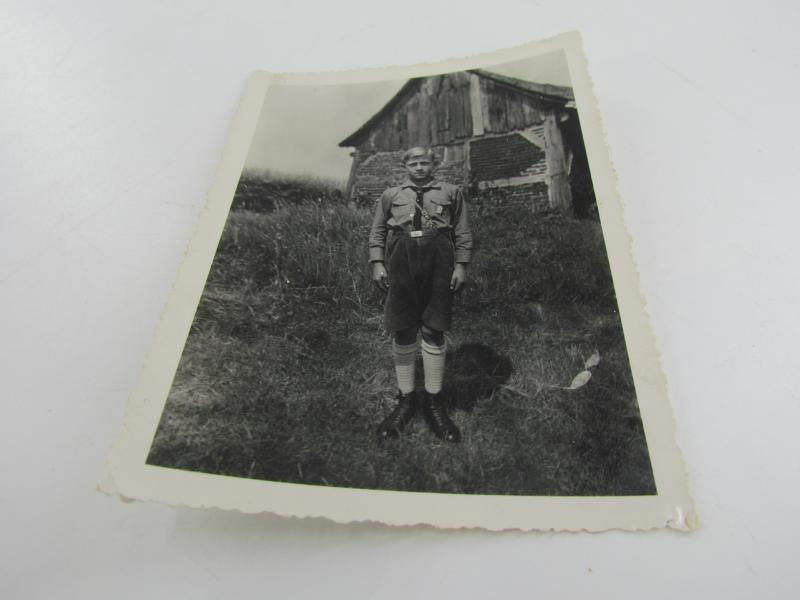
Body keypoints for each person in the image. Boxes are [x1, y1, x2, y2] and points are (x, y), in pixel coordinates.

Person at [368, 147, 473, 443]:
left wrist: (461, 266)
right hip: (400, 257)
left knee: (433, 328)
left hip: (439, 258)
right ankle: (406, 400)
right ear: (405, 166)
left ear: (433, 164)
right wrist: (377, 263)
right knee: (403, 328)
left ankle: (433, 402)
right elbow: (378, 231)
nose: (418, 167)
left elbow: (462, 231)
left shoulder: (451, 192)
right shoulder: (391, 195)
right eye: (413, 163)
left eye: (424, 162)